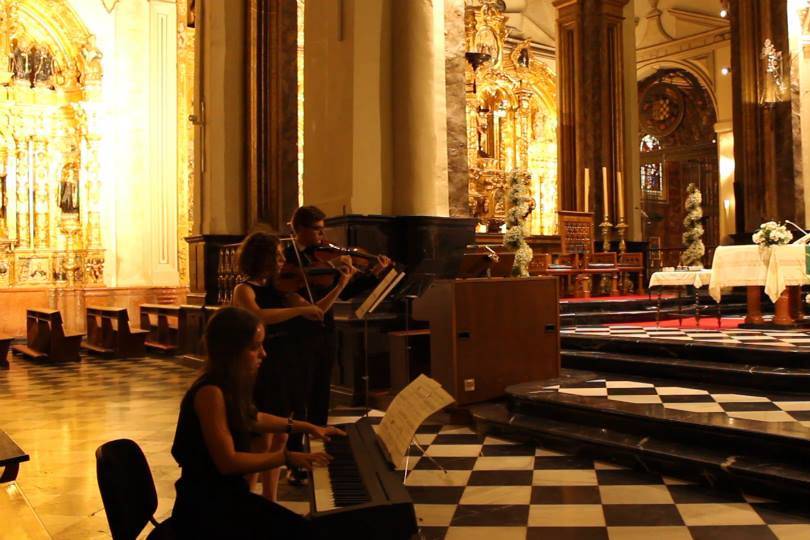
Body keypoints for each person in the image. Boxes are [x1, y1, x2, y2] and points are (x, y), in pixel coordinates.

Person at [170, 306, 344, 539]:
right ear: (231, 351)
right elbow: (228, 462)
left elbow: (253, 418)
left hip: (225, 498)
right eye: (255, 347)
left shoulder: (227, 384)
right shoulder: (210, 392)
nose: (264, 354)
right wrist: (287, 457)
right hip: (207, 509)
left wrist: (308, 427)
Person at [231, 231, 354, 499]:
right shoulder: (244, 289)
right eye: (275, 255)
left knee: (282, 436)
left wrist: (340, 285)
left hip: (288, 367)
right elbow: (258, 317)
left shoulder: (281, 289)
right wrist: (298, 310)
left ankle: (270, 498)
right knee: (261, 441)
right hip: (263, 369)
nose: (281, 260)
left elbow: (316, 311)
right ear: (260, 257)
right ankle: (248, 498)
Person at [284, 206, 392, 448]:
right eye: (317, 231)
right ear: (299, 229)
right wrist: (333, 267)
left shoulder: (322, 256)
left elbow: (346, 291)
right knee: (300, 394)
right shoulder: (288, 256)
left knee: (321, 389)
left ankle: (318, 439)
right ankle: (294, 452)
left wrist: (374, 272)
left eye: (324, 231)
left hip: (325, 331)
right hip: (298, 334)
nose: (323, 238)